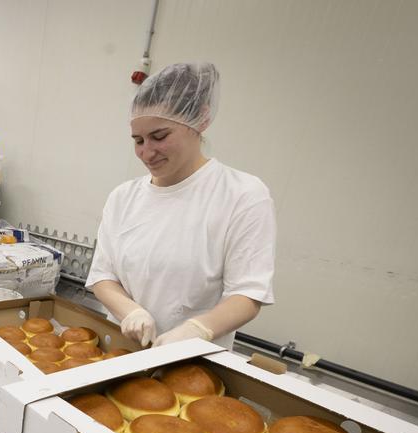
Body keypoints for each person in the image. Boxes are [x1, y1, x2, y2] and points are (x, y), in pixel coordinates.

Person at [86, 62, 276, 350]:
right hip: (121, 353)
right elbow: (102, 276)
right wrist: (131, 311)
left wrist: (197, 330)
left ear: (199, 121)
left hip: (192, 366)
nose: (147, 152)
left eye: (160, 137)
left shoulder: (242, 195)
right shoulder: (123, 198)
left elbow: (248, 293)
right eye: (138, 140)